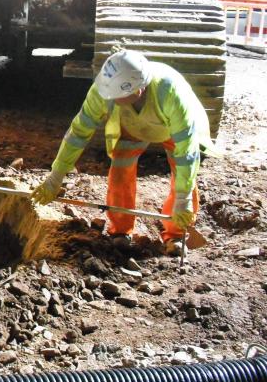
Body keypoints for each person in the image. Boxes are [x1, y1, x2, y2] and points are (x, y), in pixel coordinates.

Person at [31, 50, 217, 256]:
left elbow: (186, 152)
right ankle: (120, 231)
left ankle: (175, 233)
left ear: (139, 89)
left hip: (175, 130)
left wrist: (183, 199)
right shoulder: (104, 89)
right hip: (132, 126)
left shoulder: (169, 92)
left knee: (181, 174)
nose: (111, 99)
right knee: (120, 170)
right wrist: (55, 177)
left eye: (118, 96)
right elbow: (78, 132)